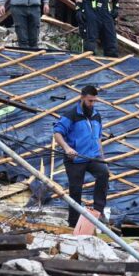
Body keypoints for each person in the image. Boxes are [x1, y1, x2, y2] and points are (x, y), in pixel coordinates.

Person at [53, 85, 110, 226]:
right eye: (90, 101)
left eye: (94, 101)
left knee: (104, 173)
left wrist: (102, 159)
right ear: (82, 98)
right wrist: (67, 148)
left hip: (92, 157)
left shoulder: (96, 115)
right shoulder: (71, 115)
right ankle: (73, 223)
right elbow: (57, 133)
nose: (92, 104)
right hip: (75, 159)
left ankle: (98, 210)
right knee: (76, 190)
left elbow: (98, 139)